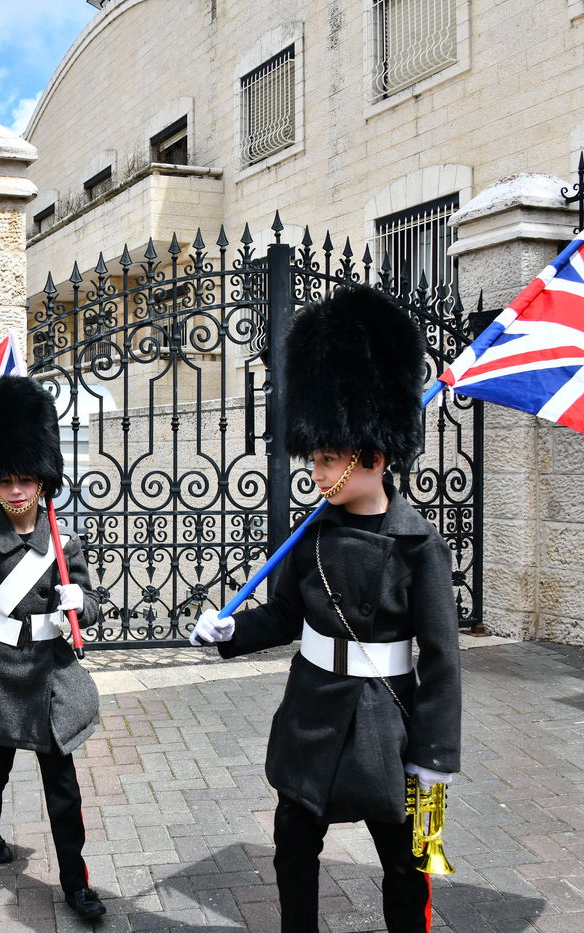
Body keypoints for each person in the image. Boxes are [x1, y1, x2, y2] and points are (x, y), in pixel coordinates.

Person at [191, 285, 462, 933]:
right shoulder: (310, 533)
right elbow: (285, 616)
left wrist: (435, 756)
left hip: (390, 729)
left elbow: (444, 661)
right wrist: (232, 629)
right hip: (311, 719)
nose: (316, 470)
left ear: (372, 455)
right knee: (293, 848)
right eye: (314, 457)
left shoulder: (417, 543)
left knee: (411, 862)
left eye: (330, 458)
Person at [0, 374, 107, 921]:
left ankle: (75, 882)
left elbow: (92, 613)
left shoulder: (64, 542)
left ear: (43, 480)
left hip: (49, 678)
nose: (16, 491)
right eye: (6, 481)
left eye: (26, 480)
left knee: (64, 787)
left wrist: (79, 604)